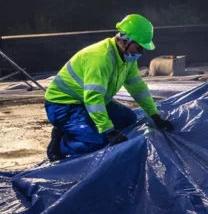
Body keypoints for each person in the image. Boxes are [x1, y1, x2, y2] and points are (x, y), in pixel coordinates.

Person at [44, 14, 175, 161]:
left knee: (128, 119)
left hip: (86, 101)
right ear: (125, 41)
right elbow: (93, 98)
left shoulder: (126, 58)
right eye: (138, 47)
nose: (140, 52)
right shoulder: (100, 58)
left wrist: (155, 116)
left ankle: (79, 129)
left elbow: (138, 88)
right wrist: (109, 131)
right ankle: (60, 143)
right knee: (98, 142)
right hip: (63, 106)